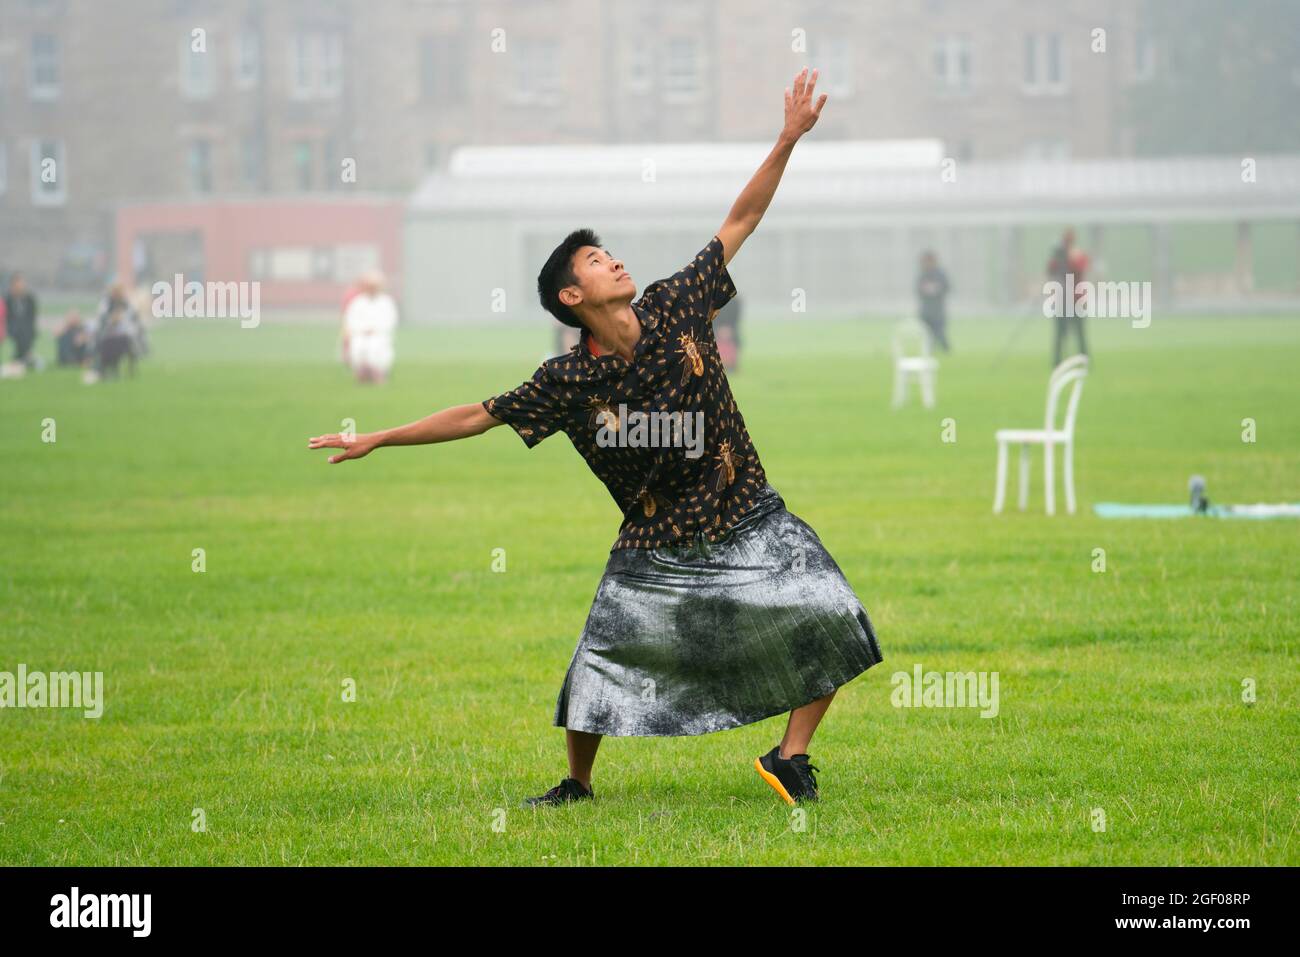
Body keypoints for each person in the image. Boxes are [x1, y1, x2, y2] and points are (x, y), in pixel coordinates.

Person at [309, 68, 882, 808]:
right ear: (572, 299)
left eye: (607, 251)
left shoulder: (677, 302)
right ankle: (577, 782)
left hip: (745, 510)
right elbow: (476, 414)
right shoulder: (566, 381)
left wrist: (787, 139)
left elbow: (740, 219)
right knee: (601, 659)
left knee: (832, 610)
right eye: (594, 260)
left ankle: (789, 755)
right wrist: (380, 436)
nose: (612, 259)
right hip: (654, 538)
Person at [341, 269, 398, 384]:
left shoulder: (386, 302)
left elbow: (390, 320)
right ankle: (362, 374)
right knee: (358, 347)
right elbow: (351, 320)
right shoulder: (358, 302)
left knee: (375, 347)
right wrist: (363, 330)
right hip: (360, 334)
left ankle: (378, 374)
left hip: (379, 334)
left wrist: (375, 329)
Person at [1048, 229, 1089, 367]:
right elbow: (1051, 270)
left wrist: (1071, 258)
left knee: (1079, 333)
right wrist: (1057, 258)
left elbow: (1080, 268)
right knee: (1060, 333)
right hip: (1061, 300)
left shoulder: (1078, 255)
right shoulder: (1059, 257)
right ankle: (1057, 361)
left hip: (1076, 300)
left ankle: (1084, 359)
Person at [915, 250, 951, 353]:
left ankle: (946, 350)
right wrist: (926, 289)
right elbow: (918, 289)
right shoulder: (922, 275)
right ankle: (928, 351)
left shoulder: (940, 274)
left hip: (938, 310)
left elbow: (947, 287)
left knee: (940, 332)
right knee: (926, 333)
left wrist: (936, 289)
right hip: (925, 310)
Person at [4, 273, 39, 370]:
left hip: (27, 328)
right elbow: (7, 316)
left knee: (25, 331)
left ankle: (20, 358)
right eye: (18, 284)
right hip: (13, 327)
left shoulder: (29, 298)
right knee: (20, 331)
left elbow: (32, 316)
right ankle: (26, 357)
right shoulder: (8, 298)